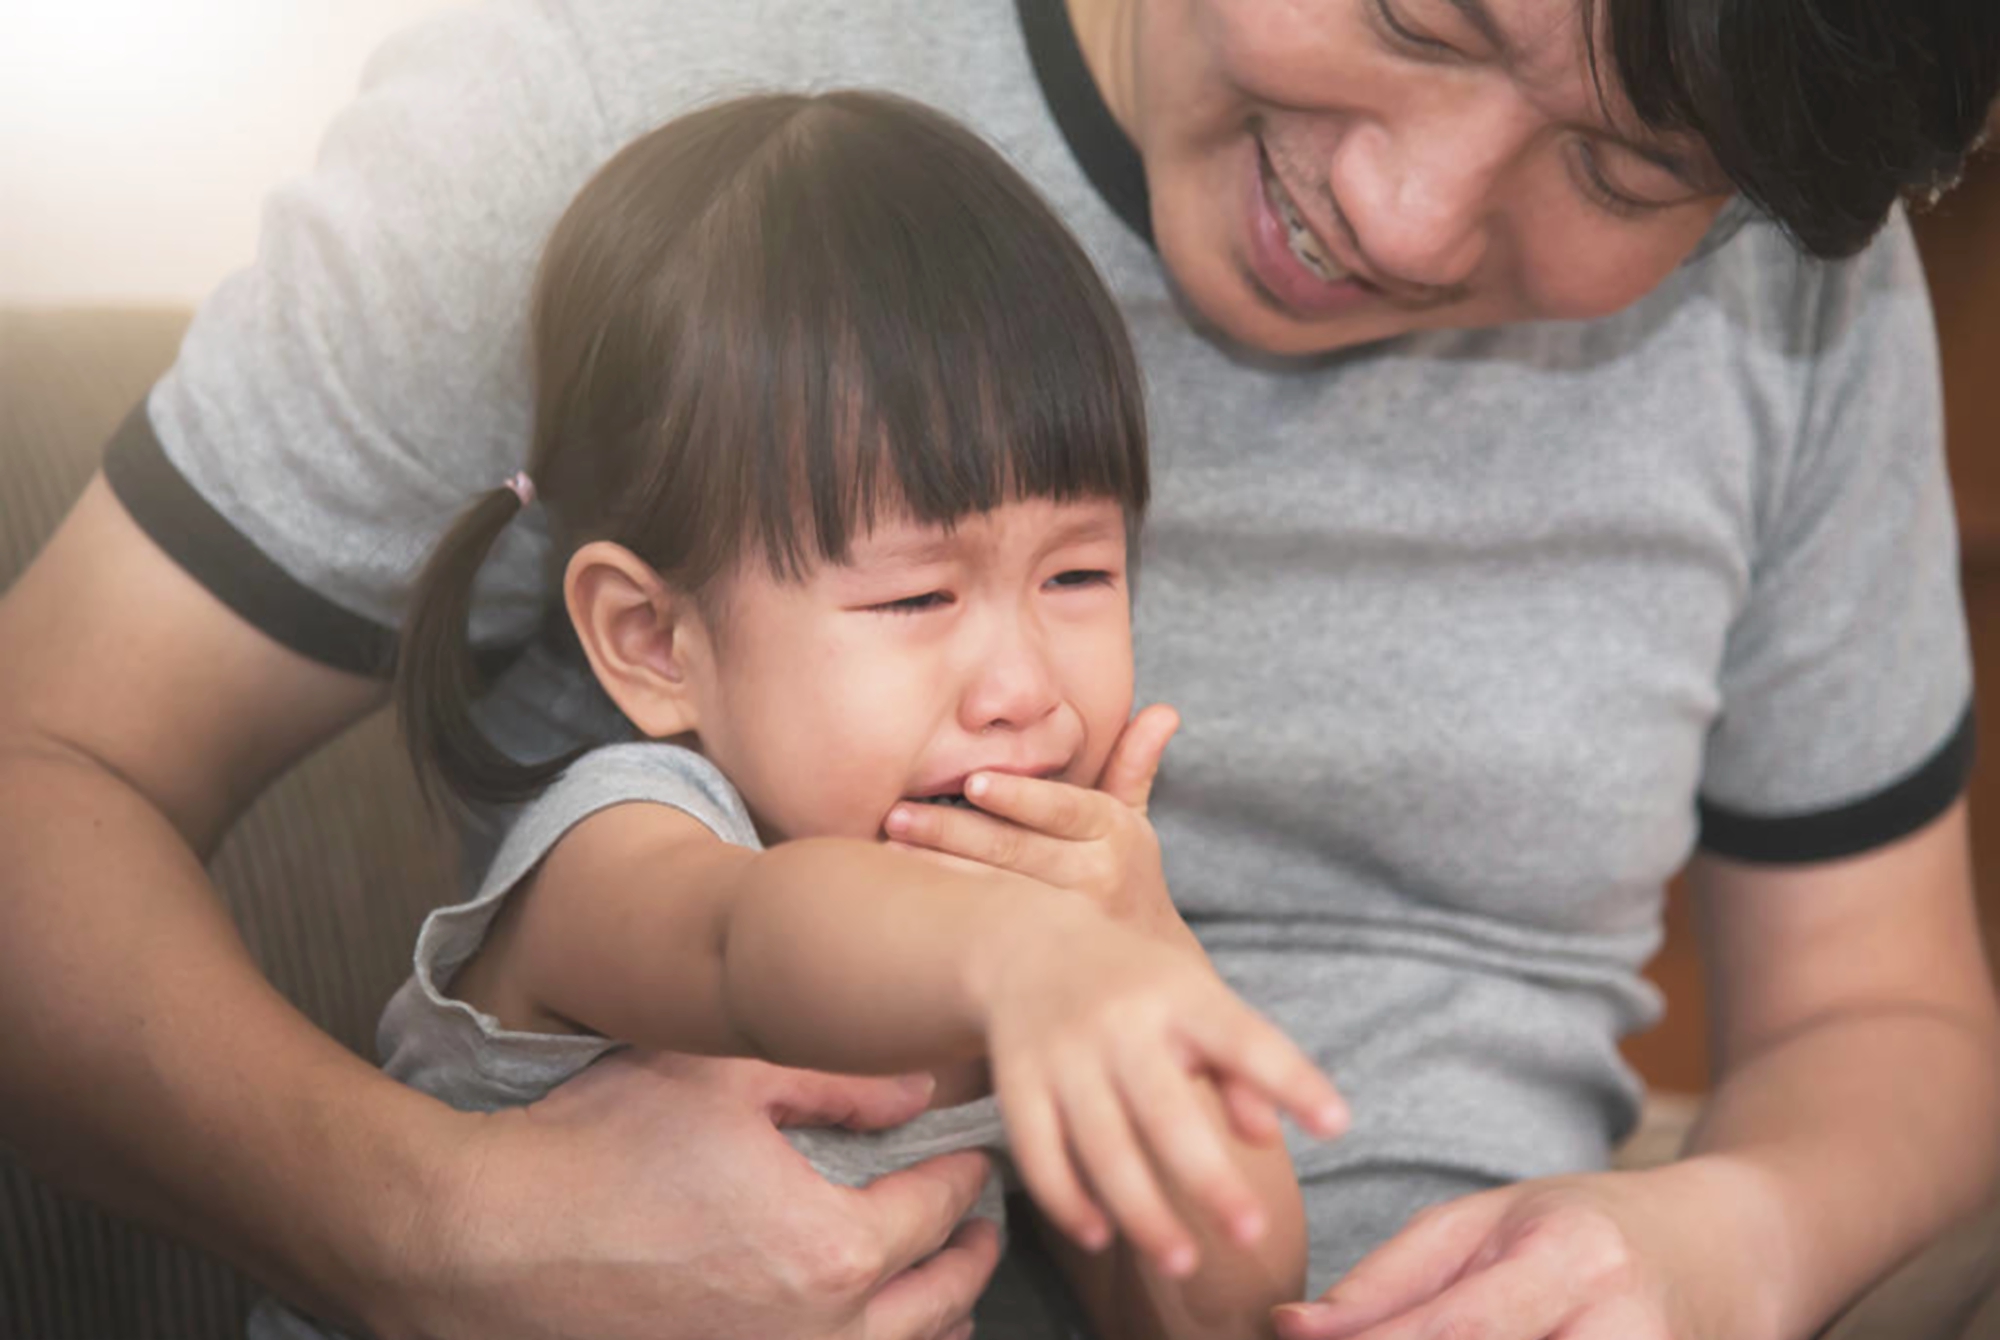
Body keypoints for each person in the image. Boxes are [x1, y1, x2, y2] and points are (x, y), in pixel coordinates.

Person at [3, 1, 1998, 1337]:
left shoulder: (1793, 244)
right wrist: (432, 1230)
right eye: (1408, 10)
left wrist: (1735, 1243)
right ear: (649, 633)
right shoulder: (653, 86)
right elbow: (46, 768)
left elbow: (1892, 1012)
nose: (1403, 214)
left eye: (1629, 170)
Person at [248, 87, 1347, 1340]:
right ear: (654, 641)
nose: (1022, 687)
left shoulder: (1036, 927)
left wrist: (1151, 959)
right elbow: (751, 945)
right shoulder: (622, 848)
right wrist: (1027, 961)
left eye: (1079, 574)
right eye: (918, 593)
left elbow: (1213, 1315)